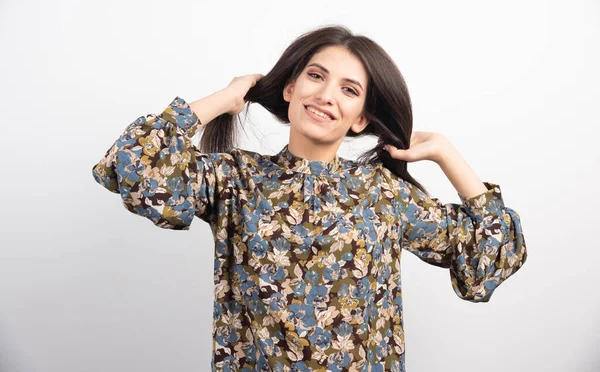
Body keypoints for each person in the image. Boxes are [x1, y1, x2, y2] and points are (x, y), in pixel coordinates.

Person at [92, 25, 527, 372]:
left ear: (361, 120)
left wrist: (446, 152)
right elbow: (129, 164)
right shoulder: (236, 179)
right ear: (289, 89)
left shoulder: (382, 193)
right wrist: (226, 99)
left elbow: (490, 261)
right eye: (316, 76)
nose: (325, 95)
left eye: (349, 90)